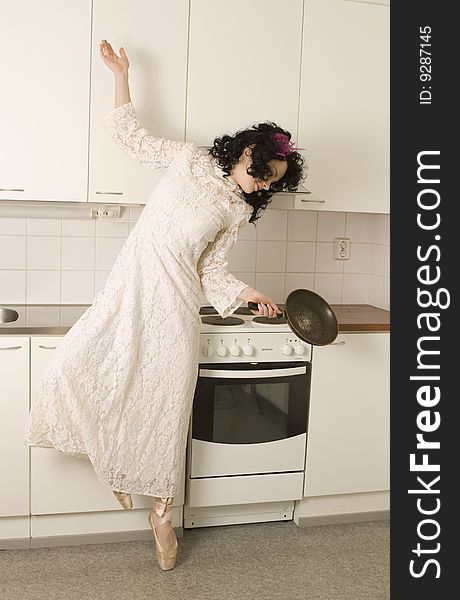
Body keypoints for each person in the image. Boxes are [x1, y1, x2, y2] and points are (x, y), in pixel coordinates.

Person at [24, 40, 305, 572]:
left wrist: (250, 295)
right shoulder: (188, 159)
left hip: (177, 305)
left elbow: (210, 271)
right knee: (72, 368)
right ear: (246, 151)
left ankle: (161, 515)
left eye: (272, 182)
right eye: (262, 172)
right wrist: (123, 74)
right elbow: (130, 135)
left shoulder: (237, 212)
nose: (262, 183)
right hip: (130, 288)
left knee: (165, 407)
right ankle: (116, 465)